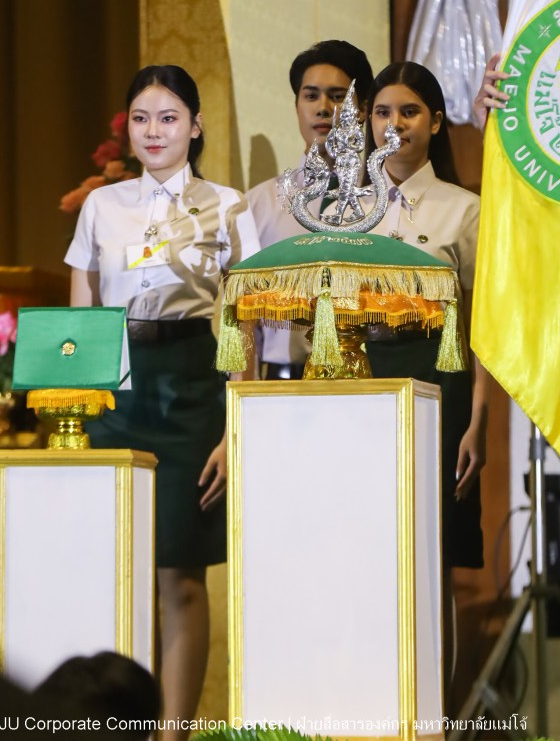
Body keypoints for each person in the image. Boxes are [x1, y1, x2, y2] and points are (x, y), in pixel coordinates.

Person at [65, 65, 260, 740]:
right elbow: (82, 310)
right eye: (142, 118)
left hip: (192, 385)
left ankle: (172, 734)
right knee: (116, 572)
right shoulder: (102, 205)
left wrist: (236, 425)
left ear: (195, 126)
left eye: (169, 118)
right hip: (116, 387)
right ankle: (114, 725)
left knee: (180, 576)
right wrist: (78, 403)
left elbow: (244, 320)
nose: (154, 131)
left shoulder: (228, 205)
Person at [358, 61, 489, 690]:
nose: (394, 124)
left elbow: (484, 329)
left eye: (408, 112)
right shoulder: (346, 208)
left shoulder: (464, 210)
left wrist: (479, 421)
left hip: (440, 381)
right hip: (361, 385)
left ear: (435, 122)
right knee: (368, 550)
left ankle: (439, 715)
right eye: (382, 112)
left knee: (436, 557)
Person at [246, 40, 373, 379]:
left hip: (367, 378)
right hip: (282, 380)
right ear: (297, 106)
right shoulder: (260, 203)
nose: (323, 108)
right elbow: (244, 315)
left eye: (338, 96)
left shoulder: (379, 201)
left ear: (362, 110)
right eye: (311, 96)